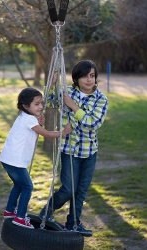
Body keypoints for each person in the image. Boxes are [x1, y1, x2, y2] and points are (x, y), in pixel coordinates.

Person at [39, 59, 108, 235]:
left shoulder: (101, 99)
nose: (88, 80)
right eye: (84, 76)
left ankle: (73, 223)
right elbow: (47, 103)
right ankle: (46, 213)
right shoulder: (67, 93)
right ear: (76, 79)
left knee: (81, 191)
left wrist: (73, 106)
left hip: (89, 151)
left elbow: (92, 123)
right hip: (69, 150)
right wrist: (52, 84)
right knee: (68, 189)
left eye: (92, 76)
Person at [0, 87, 72, 229]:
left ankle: (9, 211)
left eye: (41, 104)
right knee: (27, 186)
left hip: (7, 159)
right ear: (26, 106)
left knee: (19, 185)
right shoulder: (29, 120)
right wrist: (64, 132)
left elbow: (35, 130)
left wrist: (39, 123)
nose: (40, 107)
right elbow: (46, 134)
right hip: (15, 161)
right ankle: (20, 217)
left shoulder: (23, 117)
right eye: (37, 104)